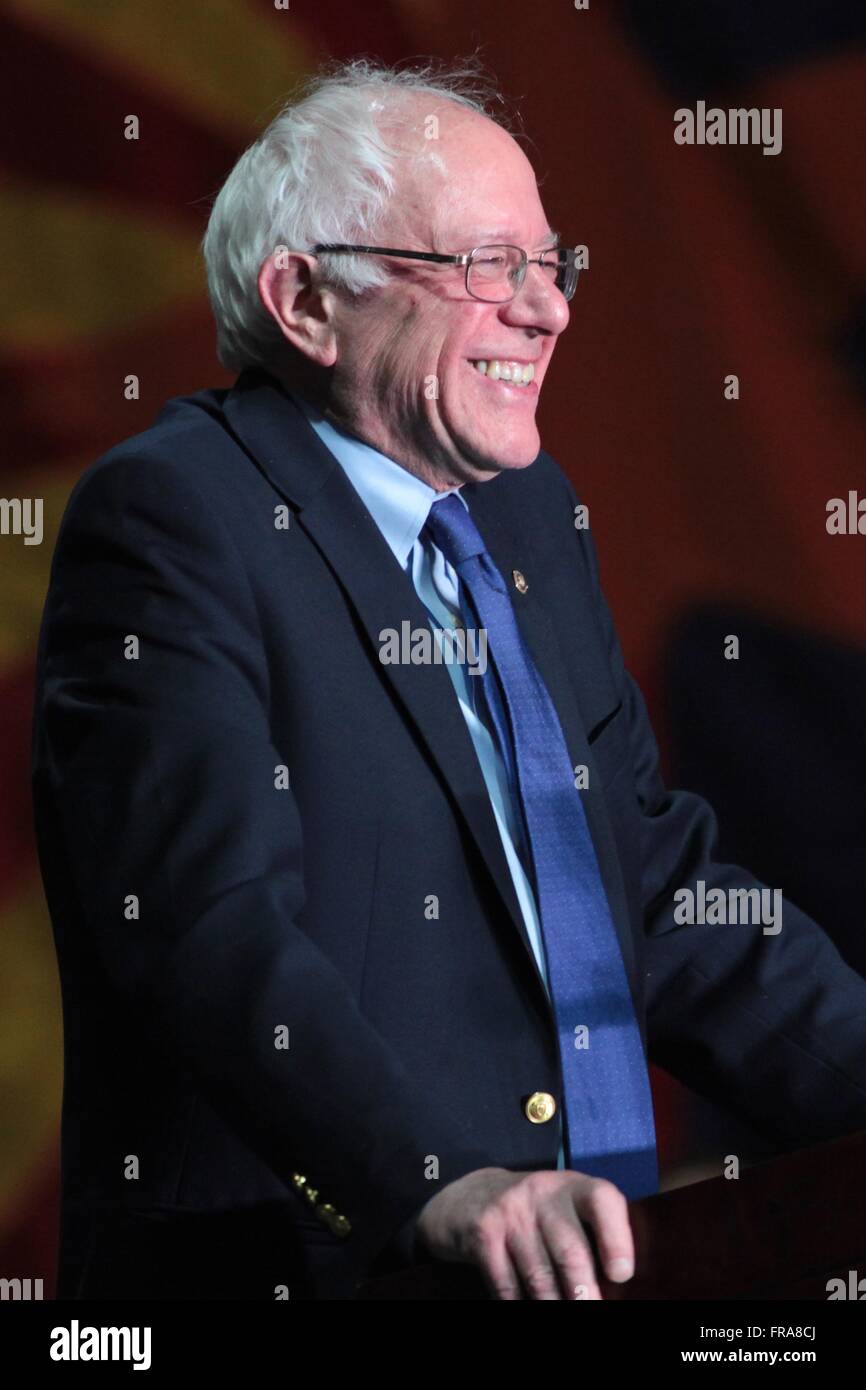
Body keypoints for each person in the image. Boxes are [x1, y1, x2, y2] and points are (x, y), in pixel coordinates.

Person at [32, 58, 866, 1302]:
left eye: (550, 266)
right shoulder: (174, 517)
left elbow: (642, 884)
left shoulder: (527, 515)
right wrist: (431, 1180)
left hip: (586, 1266)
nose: (547, 312)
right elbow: (205, 927)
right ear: (306, 300)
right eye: (488, 267)